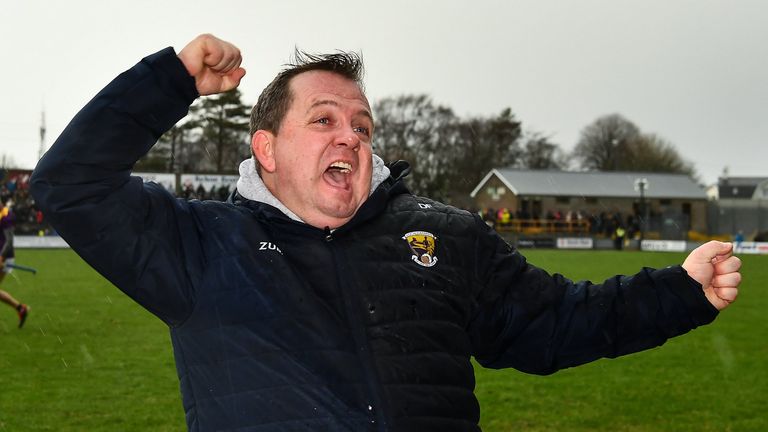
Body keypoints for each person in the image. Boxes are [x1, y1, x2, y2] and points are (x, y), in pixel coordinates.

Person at [30, 34, 741, 432]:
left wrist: (681, 291)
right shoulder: (203, 245)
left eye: (362, 125)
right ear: (267, 150)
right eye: (324, 120)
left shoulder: (443, 236)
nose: (352, 136)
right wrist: (170, 80)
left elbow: (561, 322)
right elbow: (69, 185)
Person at [0, 201, 29, 328]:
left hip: (4, 257)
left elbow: (9, 241)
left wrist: (1, 257)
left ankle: (20, 308)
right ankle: (20, 308)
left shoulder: (6, 216)